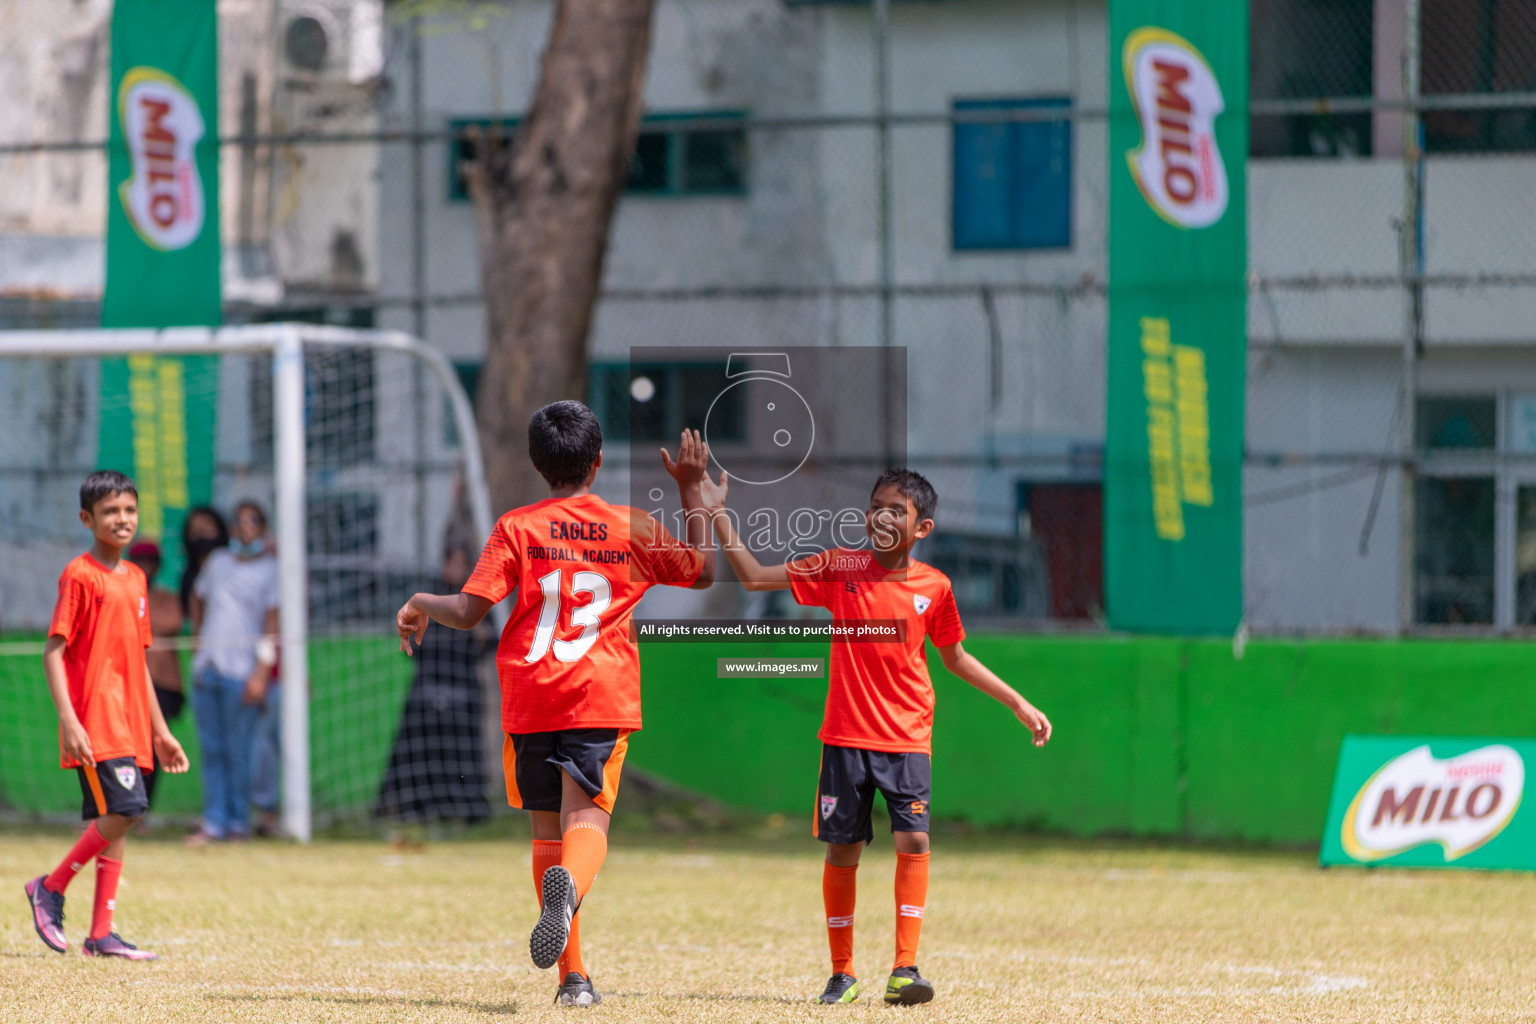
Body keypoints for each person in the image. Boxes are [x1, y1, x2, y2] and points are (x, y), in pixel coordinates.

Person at [395, 402, 714, 1007]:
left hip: (530, 692)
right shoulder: (632, 526)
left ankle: (574, 979)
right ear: (596, 462)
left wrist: (418, 601)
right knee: (585, 822)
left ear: (539, 466)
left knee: (547, 832)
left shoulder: (517, 527)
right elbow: (701, 571)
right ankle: (570, 905)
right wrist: (692, 489)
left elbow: (467, 611)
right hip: (598, 692)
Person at [700, 467, 1052, 1006]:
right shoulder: (840, 567)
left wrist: (1018, 703)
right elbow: (751, 577)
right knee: (843, 851)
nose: (882, 517)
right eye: (875, 506)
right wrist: (718, 512)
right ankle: (842, 973)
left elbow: (954, 656)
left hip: (908, 738)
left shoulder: (934, 587)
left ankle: (905, 969)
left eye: (896, 510)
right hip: (845, 739)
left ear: (922, 528)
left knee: (914, 840)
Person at [23, 471, 190, 960]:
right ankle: (49, 888)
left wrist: (161, 733)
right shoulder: (79, 574)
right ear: (87, 519)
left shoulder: (136, 578)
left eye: (130, 511)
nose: (122, 519)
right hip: (95, 721)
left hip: (133, 722)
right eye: (111, 511)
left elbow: (138, 663)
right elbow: (53, 652)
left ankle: (101, 934)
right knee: (128, 810)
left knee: (114, 819)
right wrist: (70, 720)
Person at [375, 545, 495, 828]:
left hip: (463, 689)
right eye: (452, 562)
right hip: (428, 687)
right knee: (417, 747)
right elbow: (412, 645)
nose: (456, 569)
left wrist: (481, 635)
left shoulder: (475, 603)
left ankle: (466, 808)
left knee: (462, 753)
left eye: (461, 563)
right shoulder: (430, 599)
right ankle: (412, 806)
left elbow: (490, 642)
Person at [188, 501, 278, 845]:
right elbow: (199, 600)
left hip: (242, 672)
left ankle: (238, 822)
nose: (245, 528)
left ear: (263, 529)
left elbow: (272, 624)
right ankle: (214, 821)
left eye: (252, 521)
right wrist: (199, 641)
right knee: (211, 749)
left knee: (239, 751)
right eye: (239, 523)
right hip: (207, 668)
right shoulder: (217, 562)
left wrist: (260, 672)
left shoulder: (270, 570)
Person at [125, 540, 186, 810]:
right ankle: (119, 808)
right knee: (124, 748)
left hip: (161, 684)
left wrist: (135, 620)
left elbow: (172, 621)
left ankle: (140, 810)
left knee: (152, 748)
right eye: (140, 561)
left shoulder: (165, 597)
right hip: (126, 683)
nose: (145, 567)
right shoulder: (122, 593)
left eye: (150, 562)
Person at [179, 506, 228, 618]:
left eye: (206, 527)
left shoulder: (231, 563)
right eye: (195, 530)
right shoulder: (189, 577)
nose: (201, 533)